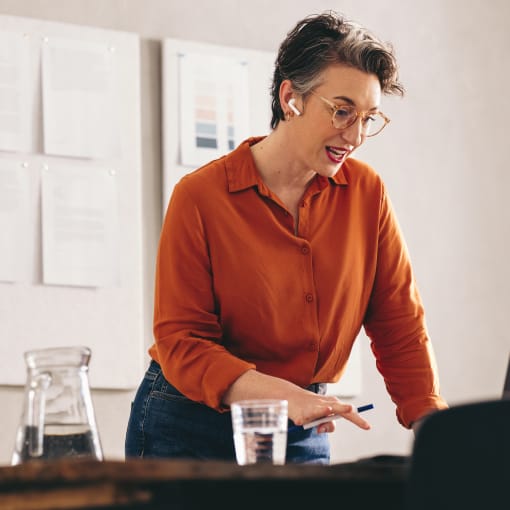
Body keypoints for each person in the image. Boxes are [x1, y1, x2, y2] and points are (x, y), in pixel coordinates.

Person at [125, 10, 448, 464]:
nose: (355, 135)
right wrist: (281, 395)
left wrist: (437, 428)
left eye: (369, 117)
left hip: (300, 423)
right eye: (341, 111)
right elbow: (183, 341)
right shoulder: (199, 197)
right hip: (187, 423)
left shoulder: (367, 193)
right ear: (291, 97)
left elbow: (399, 323)